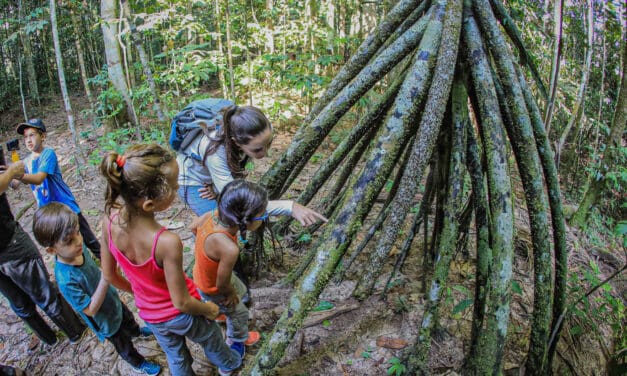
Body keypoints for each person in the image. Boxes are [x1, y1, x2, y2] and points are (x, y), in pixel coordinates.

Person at [99, 143, 241, 376]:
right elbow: (181, 303)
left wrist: (139, 293)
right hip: (182, 314)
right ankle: (230, 364)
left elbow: (109, 274)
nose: (177, 190)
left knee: (176, 356)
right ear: (149, 203)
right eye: (174, 188)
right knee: (212, 338)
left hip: (151, 315)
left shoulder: (108, 221)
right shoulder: (166, 242)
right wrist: (209, 309)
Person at [32, 202, 161, 376]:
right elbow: (90, 310)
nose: (78, 241)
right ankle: (138, 363)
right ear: (51, 250)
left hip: (112, 300)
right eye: (69, 241)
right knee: (123, 344)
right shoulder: (66, 280)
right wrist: (106, 278)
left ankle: (137, 332)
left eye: (78, 232)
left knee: (127, 319)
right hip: (104, 321)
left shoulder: (78, 249)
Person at [176, 104, 324, 226]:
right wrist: (291, 207)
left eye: (268, 143)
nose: (265, 153)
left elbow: (230, 176)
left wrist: (218, 188)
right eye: (257, 149)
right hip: (194, 181)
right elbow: (237, 201)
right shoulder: (215, 152)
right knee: (220, 227)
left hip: (215, 177)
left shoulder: (255, 130)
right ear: (236, 142)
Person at [0, 151, 85, 347]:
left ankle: (50, 339)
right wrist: (12, 171)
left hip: (5, 238)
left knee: (18, 300)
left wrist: (12, 175)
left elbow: (9, 183)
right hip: (7, 242)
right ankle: (75, 332)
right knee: (42, 290)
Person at [193, 180, 270, 357]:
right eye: (262, 216)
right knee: (240, 313)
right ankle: (236, 340)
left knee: (241, 291)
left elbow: (192, 227)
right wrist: (229, 295)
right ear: (245, 220)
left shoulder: (213, 214)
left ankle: (220, 312)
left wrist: (205, 248)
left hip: (202, 275)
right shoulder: (229, 248)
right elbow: (221, 283)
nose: (264, 218)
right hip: (214, 287)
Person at [13, 118, 101, 259]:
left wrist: (17, 174)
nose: (28, 140)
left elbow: (39, 178)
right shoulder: (27, 161)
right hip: (50, 214)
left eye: (32, 135)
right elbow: (15, 185)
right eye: (25, 137)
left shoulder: (48, 154)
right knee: (66, 245)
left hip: (67, 207)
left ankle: (112, 267)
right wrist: (8, 173)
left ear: (43, 136)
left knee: (89, 240)